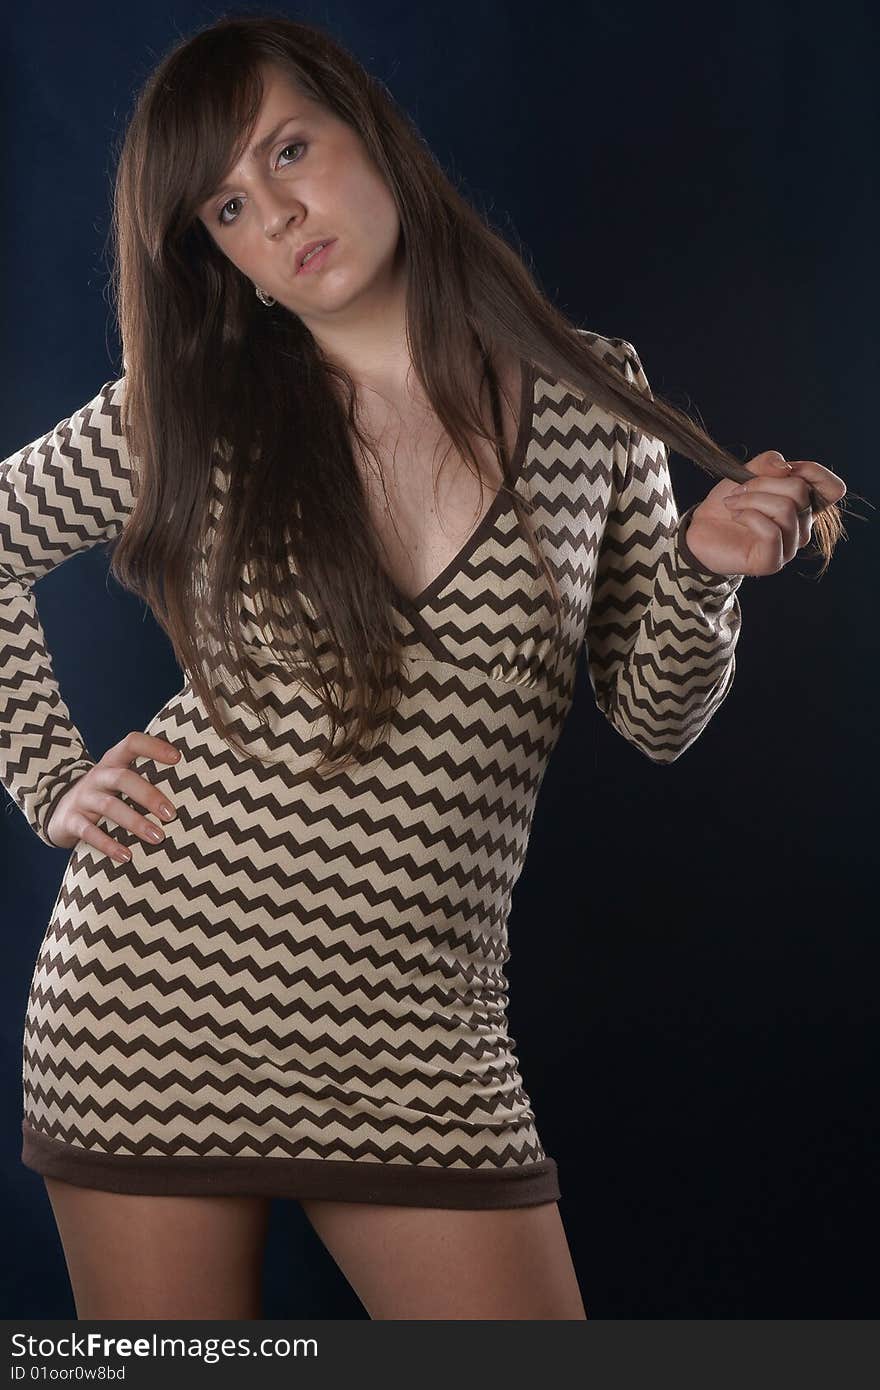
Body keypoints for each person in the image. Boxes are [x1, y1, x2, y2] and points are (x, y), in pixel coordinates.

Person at [0, 15, 847, 1321]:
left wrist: (705, 570)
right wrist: (48, 773)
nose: (279, 213)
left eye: (291, 150)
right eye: (229, 204)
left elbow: (657, 715)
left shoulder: (590, 399)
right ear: (220, 254)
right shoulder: (191, 402)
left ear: (368, 131)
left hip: (421, 1036)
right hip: (152, 1007)